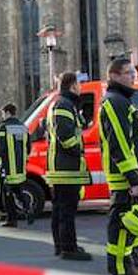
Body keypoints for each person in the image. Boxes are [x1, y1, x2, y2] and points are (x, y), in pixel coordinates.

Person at [98, 57, 138, 275]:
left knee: (129, 221)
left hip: (133, 172)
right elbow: (119, 143)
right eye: (129, 73)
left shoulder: (122, 101)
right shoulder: (115, 102)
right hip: (124, 175)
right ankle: (119, 267)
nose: (134, 77)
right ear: (114, 76)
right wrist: (132, 176)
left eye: (134, 73)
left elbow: (135, 140)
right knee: (121, 221)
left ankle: (127, 261)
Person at [45, 71, 91, 261]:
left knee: (60, 210)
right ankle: (68, 248)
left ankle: (62, 245)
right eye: (79, 84)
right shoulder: (64, 105)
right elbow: (66, 137)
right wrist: (78, 150)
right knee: (67, 211)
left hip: (61, 167)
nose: (81, 88)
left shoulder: (61, 104)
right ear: (73, 85)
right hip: (66, 168)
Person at [0, 103, 30, 228]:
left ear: (8, 113)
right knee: (19, 191)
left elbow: (0, 149)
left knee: (7, 194)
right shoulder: (23, 127)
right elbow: (28, 147)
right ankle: (28, 209)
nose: (2, 116)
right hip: (20, 168)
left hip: (8, 168)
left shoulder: (3, 128)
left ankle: (11, 219)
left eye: (3, 113)